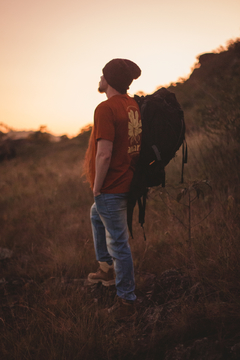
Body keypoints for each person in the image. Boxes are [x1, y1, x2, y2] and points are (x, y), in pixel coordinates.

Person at [84, 58, 142, 316]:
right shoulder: (132, 105)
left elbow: (104, 153)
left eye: (102, 75)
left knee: (119, 244)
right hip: (128, 180)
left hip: (111, 186)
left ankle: (126, 300)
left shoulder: (105, 108)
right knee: (95, 215)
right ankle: (105, 269)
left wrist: (97, 188)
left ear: (108, 79)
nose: (100, 79)